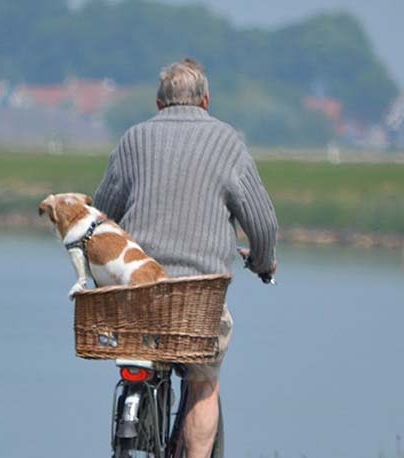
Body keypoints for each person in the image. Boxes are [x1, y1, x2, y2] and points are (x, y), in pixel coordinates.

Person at [92, 58, 278, 457]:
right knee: (203, 381)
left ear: (159, 104)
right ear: (206, 101)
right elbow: (262, 225)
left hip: (138, 295)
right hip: (198, 300)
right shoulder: (228, 142)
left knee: (139, 355)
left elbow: (103, 215)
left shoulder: (134, 139)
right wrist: (263, 262)